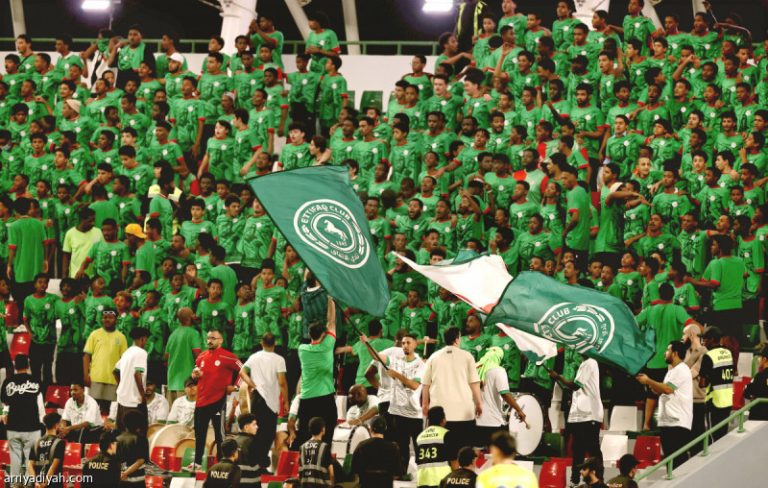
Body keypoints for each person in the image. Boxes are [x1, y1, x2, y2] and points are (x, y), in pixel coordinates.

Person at [188, 328, 241, 472]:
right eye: (208, 338)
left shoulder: (228, 357)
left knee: (220, 435)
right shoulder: (201, 357)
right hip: (201, 401)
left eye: (213, 338)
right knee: (199, 434)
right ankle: (197, 463)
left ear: (220, 340)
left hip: (218, 401)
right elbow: (195, 373)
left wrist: (236, 387)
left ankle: (222, 463)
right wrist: (194, 376)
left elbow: (244, 370)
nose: (209, 341)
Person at [421, 327, 482, 443]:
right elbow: (474, 383)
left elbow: (425, 384)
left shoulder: (433, 357)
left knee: (441, 449)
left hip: (439, 414)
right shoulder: (467, 356)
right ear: (457, 339)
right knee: (463, 447)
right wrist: (479, 403)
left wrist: (425, 404)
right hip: (464, 413)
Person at [637, 341, 693, 467]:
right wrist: (651, 385)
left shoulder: (681, 370)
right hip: (668, 423)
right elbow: (663, 390)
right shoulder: (672, 371)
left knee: (678, 462)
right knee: (670, 463)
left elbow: (668, 389)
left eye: (668, 350)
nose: (665, 353)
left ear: (675, 353)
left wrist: (648, 380)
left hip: (677, 424)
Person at [550, 353, 603, 484]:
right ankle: (575, 481)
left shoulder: (590, 363)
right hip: (579, 415)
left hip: (589, 414)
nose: (577, 351)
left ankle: (599, 480)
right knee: (578, 449)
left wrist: (558, 377)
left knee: (592, 449)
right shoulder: (584, 364)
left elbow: (575, 385)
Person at [239, 332, 288, 469]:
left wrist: (252, 384)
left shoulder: (254, 357)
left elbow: (242, 372)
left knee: (257, 431)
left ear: (262, 343)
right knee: (268, 433)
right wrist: (286, 401)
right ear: (275, 343)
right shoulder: (279, 359)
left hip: (256, 398)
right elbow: (282, 382)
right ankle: (261, 463)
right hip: (270, 401)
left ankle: (257, 463)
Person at [297, 296, 337, 445]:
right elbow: (331, 322)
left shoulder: (302, 349)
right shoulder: (327, 345)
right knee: (327, 437)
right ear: (324, 335)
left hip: (306, 399)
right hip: (324, 399)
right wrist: (331, 300)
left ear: (309, 334)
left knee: (305, 437)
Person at [383, 332, 424, 468]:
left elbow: (414, 385)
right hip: (398, 412)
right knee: (402, 447)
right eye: (403, 343)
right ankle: (402, 473)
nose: (405, 345)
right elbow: (378, 357)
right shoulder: (397, 361)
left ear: (415, 344)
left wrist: (397, 375)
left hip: (414, 413)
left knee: (419, 447)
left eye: (408, 343)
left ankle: (422, 472)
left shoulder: (420, 364)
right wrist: (366, 343)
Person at [1, 354, 44, 482]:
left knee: (15, 458)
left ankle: (15, 484)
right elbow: (40, 403)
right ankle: (28, 484)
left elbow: (5, 401)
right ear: (28, 365)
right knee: (30, 460)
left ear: (15, 366)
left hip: (14, 426)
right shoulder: (36, 381)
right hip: (32, 426)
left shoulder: (8, 382)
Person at [83, 307, 129, 413]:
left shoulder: (121, 337)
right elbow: (86, 356)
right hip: (95, 378)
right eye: (104, 317)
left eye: (110, 317)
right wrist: (86, 375)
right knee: (92, 409)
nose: (107, 320)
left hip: (113, 380)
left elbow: (124, 360)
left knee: (106, 411)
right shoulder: (94, 334)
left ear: (116, 319)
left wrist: (122, 379)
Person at [699, 326, 734, 441]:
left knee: (712, 437)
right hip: (727, 400)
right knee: (723, 435)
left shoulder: (708, 356)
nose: (703, 342)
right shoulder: (728, 353)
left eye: (705, 339)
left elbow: (702, 384)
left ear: (712, 339)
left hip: (714, 401)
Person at [350, 415, 403, 487]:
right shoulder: (393, 447)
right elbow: (398, 473)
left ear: (370, 429)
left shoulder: (361, 446)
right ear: (385, 429)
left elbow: (354, 470)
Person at [114, 326, 150, 431]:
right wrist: (142, 395)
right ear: (143, 338)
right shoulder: (141, 353)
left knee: (121, 433)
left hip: (122, 399)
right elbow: (137, 373)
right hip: (134, 401)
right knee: (137, 433)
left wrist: (122, 385)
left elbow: (115, 371)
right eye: (146, 340)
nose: (146, 342)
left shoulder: (127, 352)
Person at [415, 406, 458, 487]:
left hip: (422, 481)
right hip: (442, 481)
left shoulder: (420, 436)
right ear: (443, 420)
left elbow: (418, 461)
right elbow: (454, 461)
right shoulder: (447, 434)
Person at [26, 412, 65, 488]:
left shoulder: (35, 443)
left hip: (37, 483)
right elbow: (54, 466)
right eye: (60, 424)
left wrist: (36, 482)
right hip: (53, 483)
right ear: (56, 425)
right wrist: (45, 483)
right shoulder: (60, 442)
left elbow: (30, 465)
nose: (61, 426)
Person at [298, 417, 334, 487]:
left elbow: (300, 469)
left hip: (305, 485)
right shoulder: (324, 447)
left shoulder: (302, 447)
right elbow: (331, 473)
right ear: (323, 429)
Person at [115, 410, 148, 486]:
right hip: (137, 479)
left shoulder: (117, 438)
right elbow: (140, 461)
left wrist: (121, 473)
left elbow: (114, 459)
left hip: (121, 479)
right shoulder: (142, 439)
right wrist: (125, 473)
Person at [234, 413, 269, 485]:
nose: (257, 427)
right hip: (252, 483)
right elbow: (266, 462)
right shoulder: (255, 442)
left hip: (236, 483)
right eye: (254, 424)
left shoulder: (233, 441)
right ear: (246, 427)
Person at [744, 344, 768, 421]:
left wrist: (751, 396)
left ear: (764, 359)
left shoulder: (760, 376)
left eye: (760, 358)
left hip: (759, 417)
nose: (759, 360)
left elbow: (747, 392)